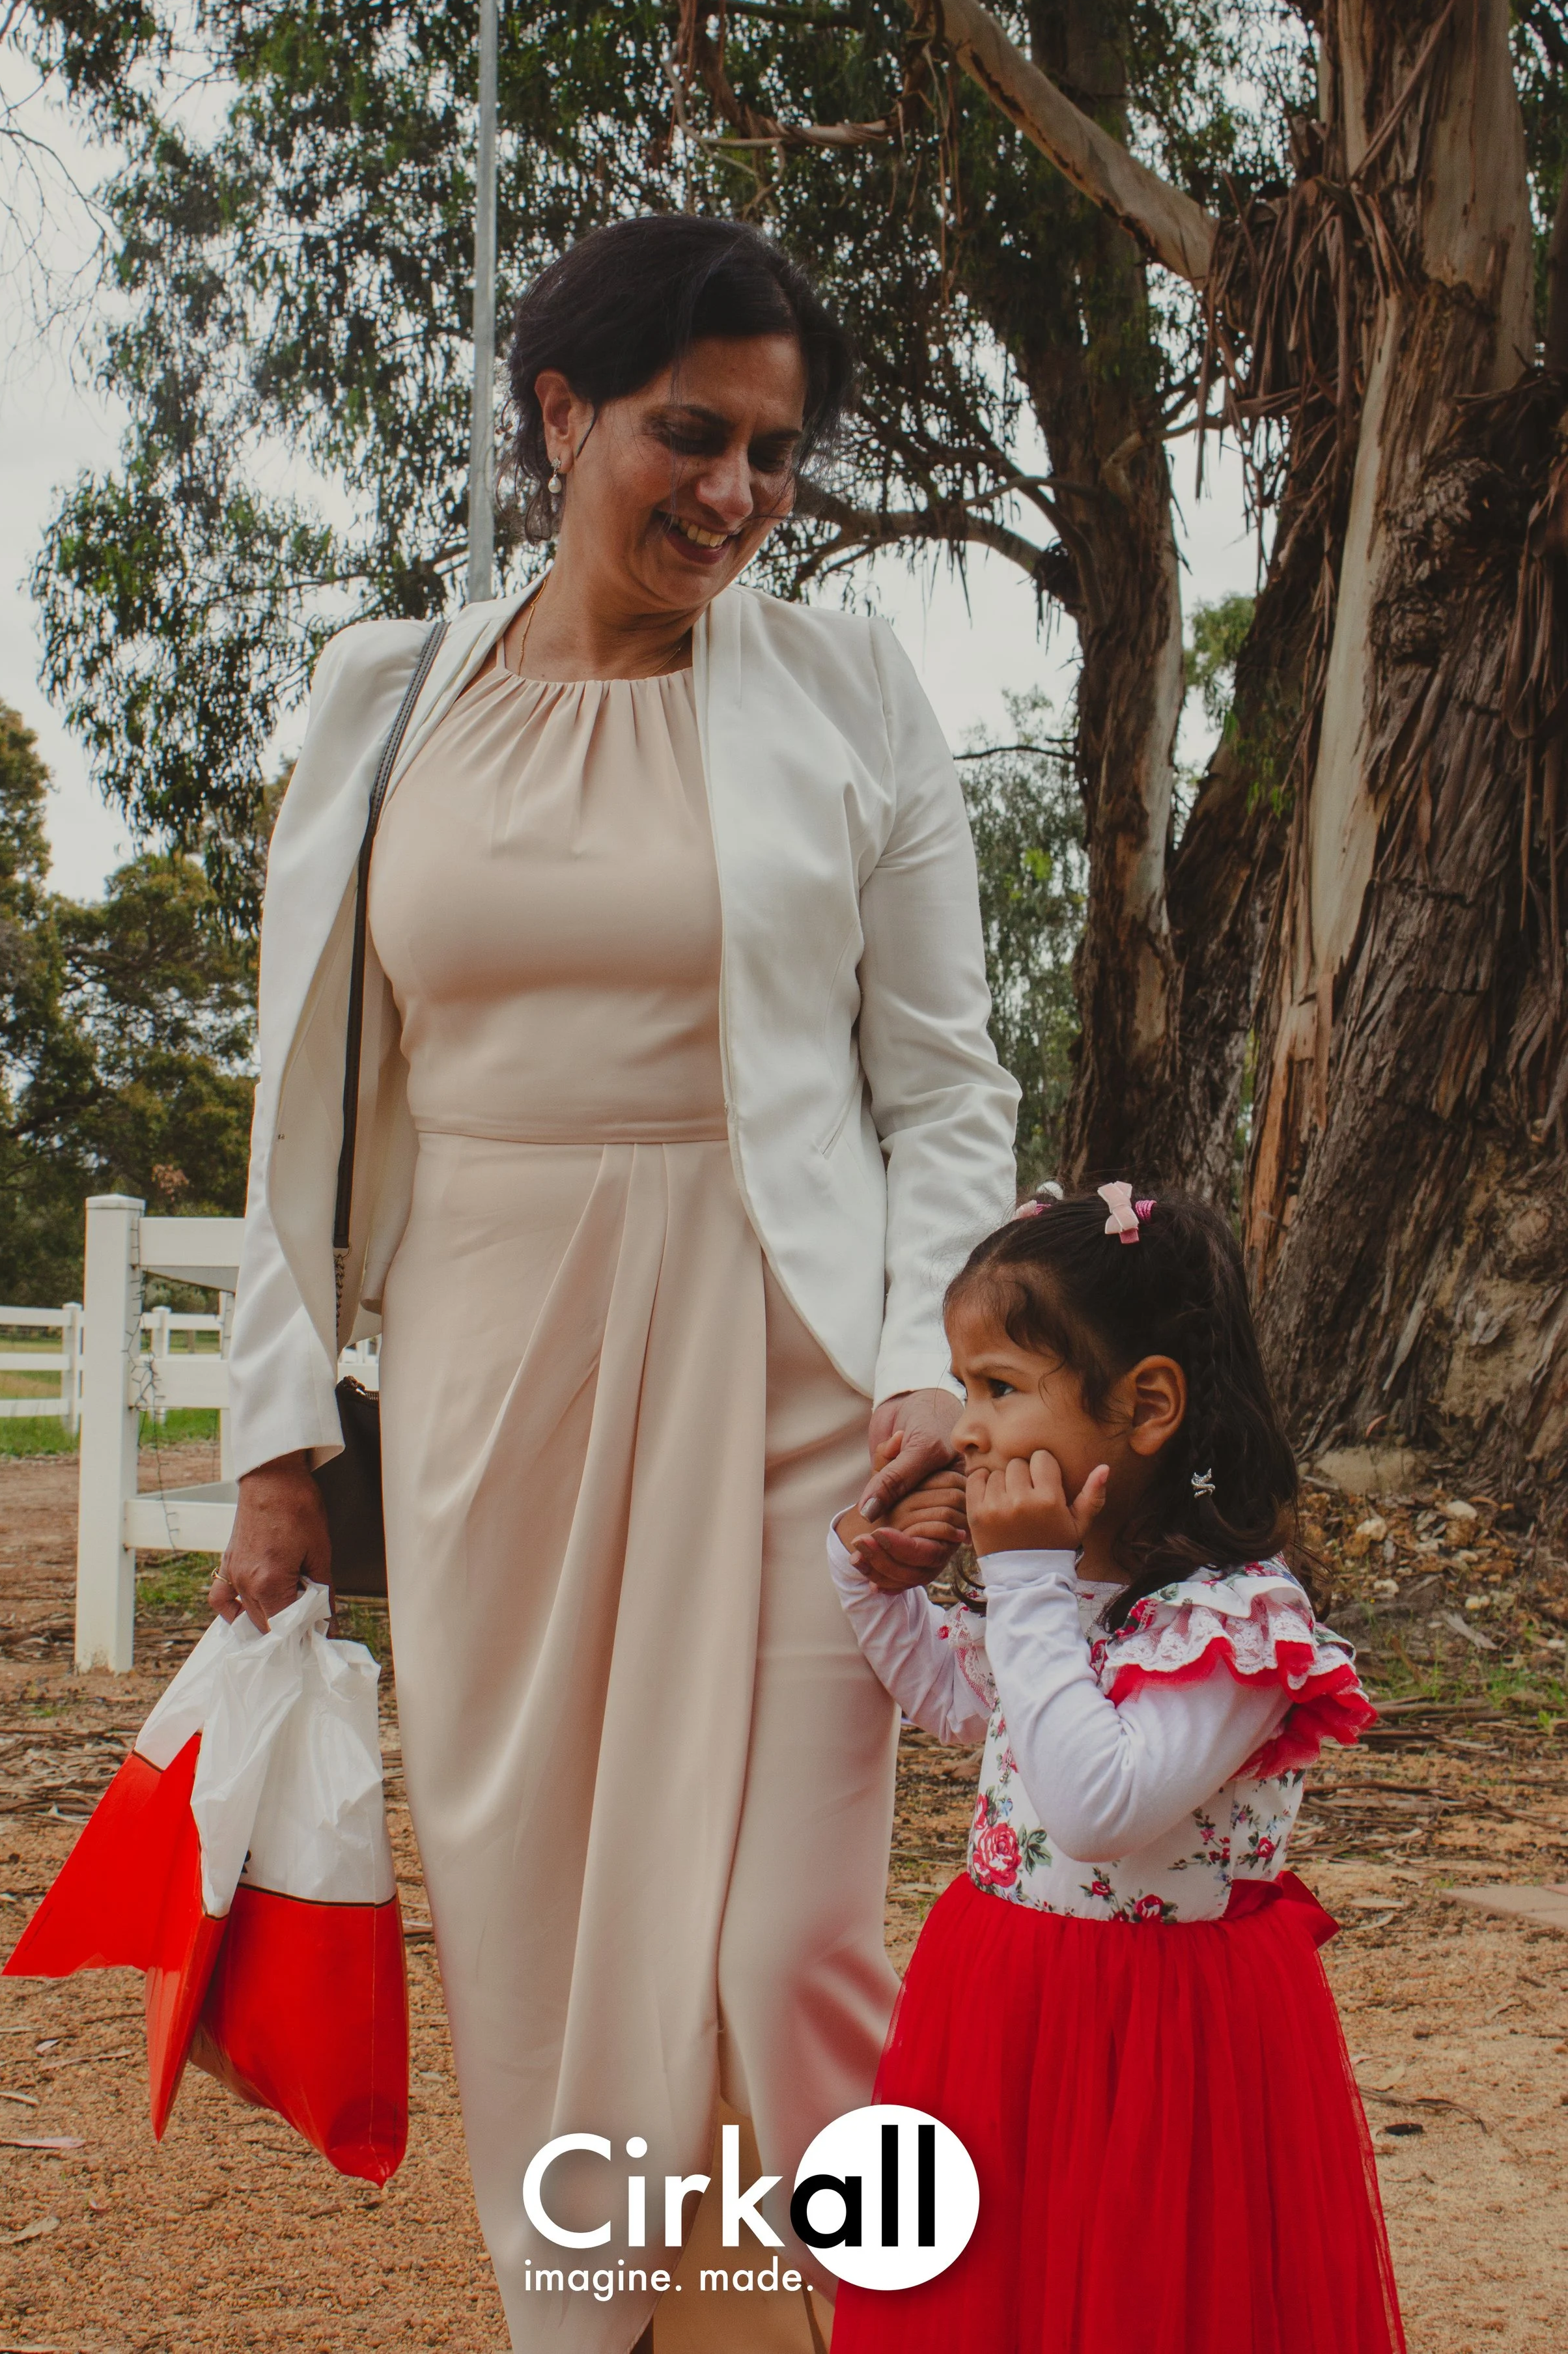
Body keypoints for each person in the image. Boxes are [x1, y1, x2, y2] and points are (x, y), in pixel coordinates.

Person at [214, 213, 1019, 2354]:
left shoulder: (847, 688)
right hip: (493, 1381)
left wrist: (931, 1371)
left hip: (792, 1395)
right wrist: (277, 1446)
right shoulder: (387, 704)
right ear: (561, 416)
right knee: (547, 1944)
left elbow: (944, 1083)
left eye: (777, 452)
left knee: (781, 1955)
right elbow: (318, 1090)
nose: (738, 493)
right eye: (692, 434)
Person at [826, 1183, 1403, 2354]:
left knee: (1144, 2297)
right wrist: (869, 1579)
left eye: (997, 1386)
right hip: (1001, 2004)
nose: (969, 1427)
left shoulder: (1239, 1625)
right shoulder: (1068, 1584)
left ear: (1146, 1407)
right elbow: (957, 1703)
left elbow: (1099, 1806)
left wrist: (1028, 1583)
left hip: (1167, 2047)